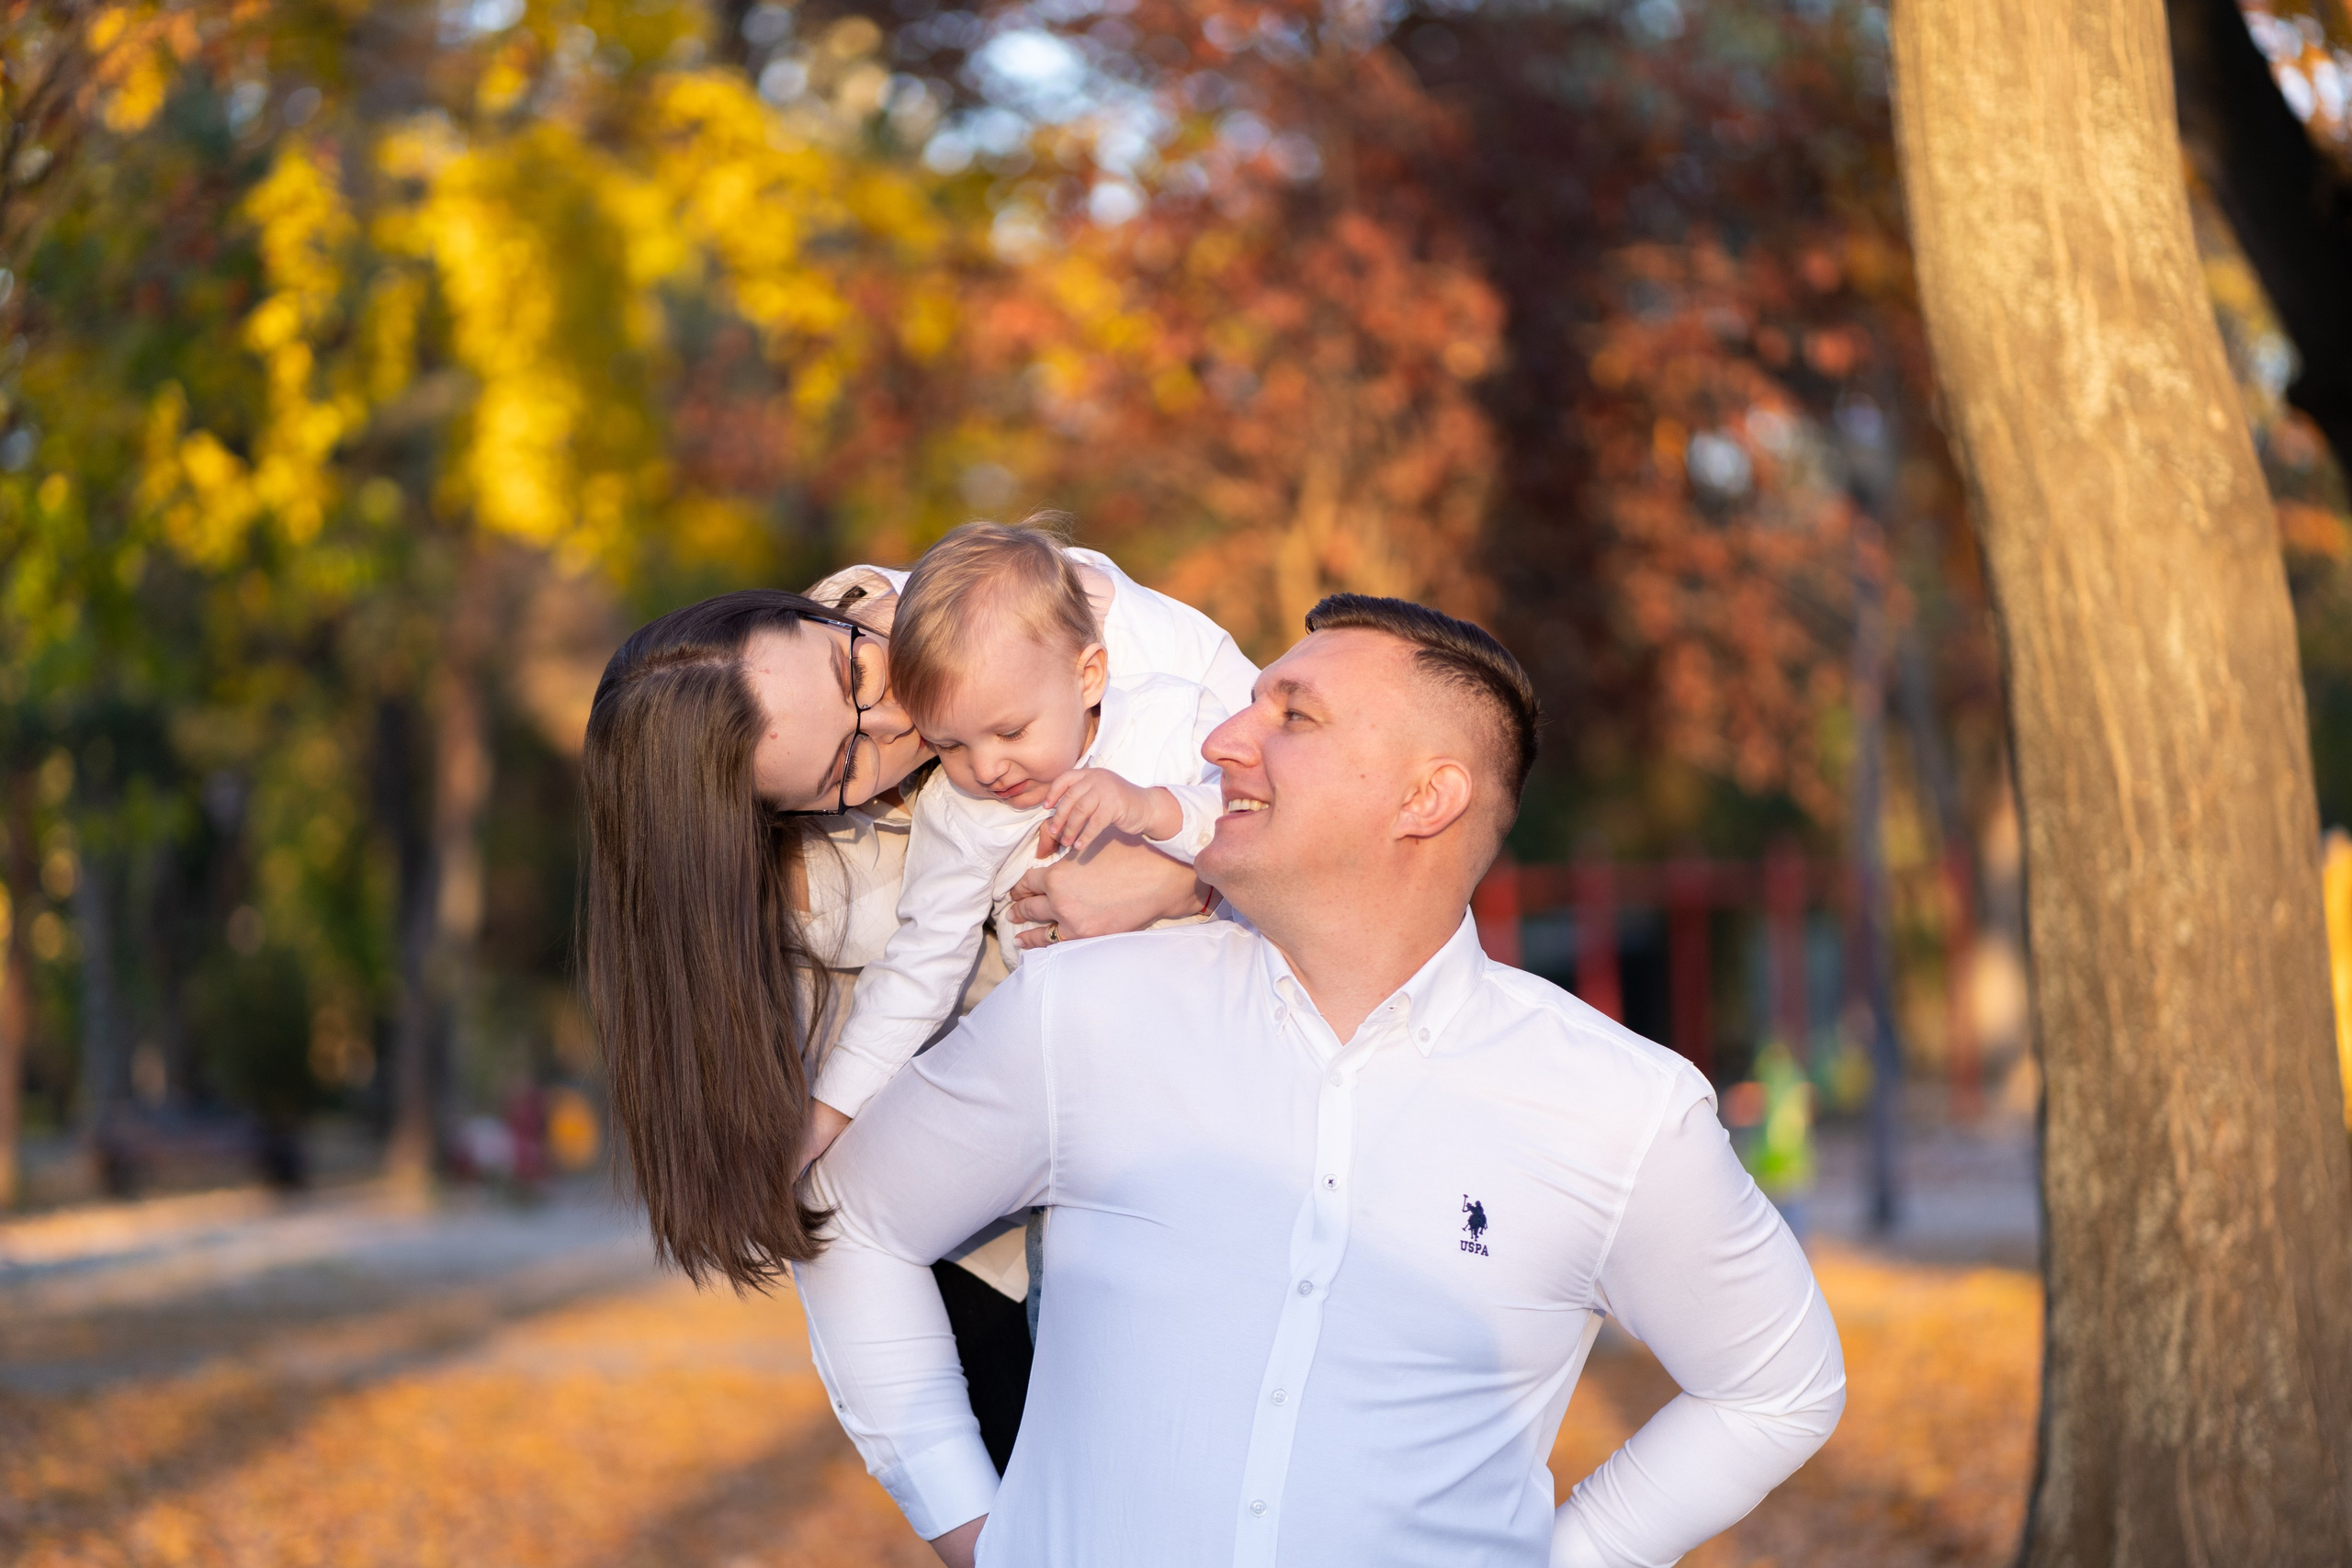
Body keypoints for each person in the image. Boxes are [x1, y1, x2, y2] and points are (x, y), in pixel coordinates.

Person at [797, 595, 1846, 1568]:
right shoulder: (1081, 1013)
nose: (1220, 741)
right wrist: (970, 1523)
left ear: (1426, 798)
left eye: (1292, 716)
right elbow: (848, 1218)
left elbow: (1778, 1387)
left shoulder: (1621, 1110)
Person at [578, 523, 1258, 1468]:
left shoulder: (1039, 623)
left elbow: (1306, 811)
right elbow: (854, 1162)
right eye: (841, 767)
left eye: (854, 675)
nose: (894, 723)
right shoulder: (826, 887)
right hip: (1011, 1228)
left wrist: (1181, 878)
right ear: (784, 820)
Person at [803, 522, 1232, 1167]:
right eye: (949, 744)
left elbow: (1269, 816)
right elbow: (920, 963)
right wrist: (827, 1111)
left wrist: (1156, 809)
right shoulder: (960, 813)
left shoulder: (1171, 717)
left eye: (1010, 730)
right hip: (1079, 1070)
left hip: (1226, 1011)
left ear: (1088, 676)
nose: (987, 767)